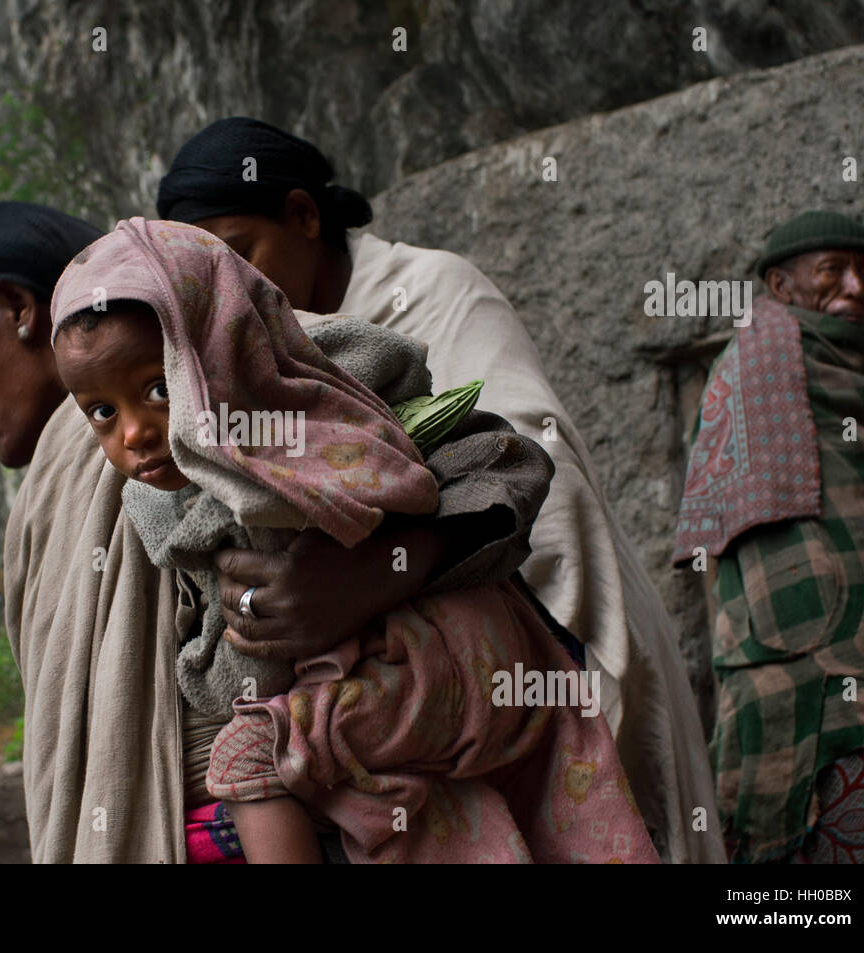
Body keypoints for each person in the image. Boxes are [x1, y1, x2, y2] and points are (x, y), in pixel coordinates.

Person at [0, 202, 574, 862]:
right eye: (102, 410)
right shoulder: (60, 489)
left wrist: (378, 573)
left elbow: (499, 465)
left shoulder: (253, 363)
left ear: (17, 307)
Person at [156, 116, 724, 863]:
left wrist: (379, 573)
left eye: (242, 256)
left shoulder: (431, 291)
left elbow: (538, 478)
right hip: (395, 721)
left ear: (302, 216)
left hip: (532, 668)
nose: (227, 292)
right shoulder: (239, 365)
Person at [49, 217, 658, 863]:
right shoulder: (162, 501)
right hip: (378, 690)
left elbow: (509, 463)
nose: (136, 432)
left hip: (449, 649)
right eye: (103, 411)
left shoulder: (318, 398)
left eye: (159, 388)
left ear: (214, 343)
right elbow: (235, 652)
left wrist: (388, 564)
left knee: (246, 755)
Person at [673, 210, 864, 863]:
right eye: (834, 270)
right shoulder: (763, 360)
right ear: (780, 284)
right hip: (813, 662)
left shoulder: (841, 382)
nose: (858, 286)